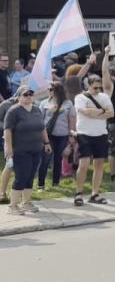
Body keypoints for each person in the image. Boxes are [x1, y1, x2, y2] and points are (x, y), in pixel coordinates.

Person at [3, 86, 52, 214]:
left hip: (36, 149)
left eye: (31, 94)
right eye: (25, 94)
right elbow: (7, 130)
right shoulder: (14, 111)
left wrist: (46, 142)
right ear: (18, 96)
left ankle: (26, 203)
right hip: (20, 150)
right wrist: (8, 147)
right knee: (21, 176)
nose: (29, 96)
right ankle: (12, 206)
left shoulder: (36, 110)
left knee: (30, 176)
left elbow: (42, 127)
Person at [74, 72, 115, 206]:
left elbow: (111, 113)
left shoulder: (103, 96)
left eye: (99, 88)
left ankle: (95, 193)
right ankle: (79, 193)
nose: (97, 91)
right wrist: (103, 111)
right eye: (95, 88)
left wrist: (97, 112)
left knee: (99, 164)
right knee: (84, 164)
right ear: (88, 86)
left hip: (100, 134)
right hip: (84, 133)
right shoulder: (80, 97)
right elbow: (86, 112)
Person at [38, 82, 76, 189]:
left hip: (62, 136)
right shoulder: (44, 103)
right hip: (48, 136)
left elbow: (71, 120)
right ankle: (41, 184)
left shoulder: (68, 103)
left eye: (51, 89)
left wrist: (72, 136)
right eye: (48, 89)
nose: (49, 91)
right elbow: (40, 120)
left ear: (58, 90)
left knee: (58, 160)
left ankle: (55, 183)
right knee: (45, 159)